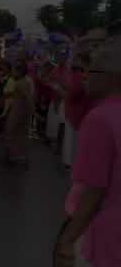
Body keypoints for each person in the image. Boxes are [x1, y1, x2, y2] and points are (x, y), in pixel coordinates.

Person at [56, 42, 121, 267]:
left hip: (101, 235)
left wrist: (67, 239)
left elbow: (93, 190)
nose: (85, 77)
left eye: (90, 71)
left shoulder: (100, 118)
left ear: (111, 77)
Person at [4, 61, 35, 165]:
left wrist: (32, 110)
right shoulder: (28, 80)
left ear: (19, 71)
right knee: (21, 132)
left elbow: (26, 97)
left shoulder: (21, 82)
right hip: (23, 110)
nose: (12, 72)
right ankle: (20, 155)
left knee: (11, 131)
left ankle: (14, 155)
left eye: (14, 70)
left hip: (19, 110)